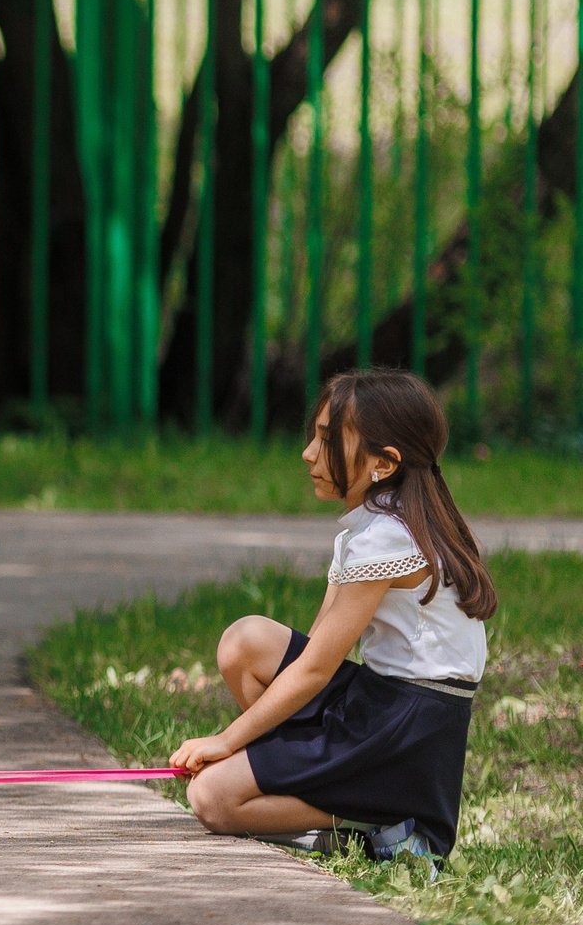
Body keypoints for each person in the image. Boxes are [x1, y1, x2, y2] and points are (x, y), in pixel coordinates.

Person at [171, 367, 496, 866]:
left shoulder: (387, 538)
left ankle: (379, 821)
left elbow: (316, 669)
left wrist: (227, 741)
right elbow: (321, 644)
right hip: (381, 697)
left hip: (409, 725)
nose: (308, 454)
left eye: (326, 440)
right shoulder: (371, 526)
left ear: (384, 464)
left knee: (211, 799)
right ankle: (307, 777)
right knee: (245, 641)